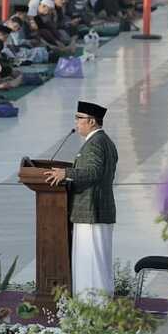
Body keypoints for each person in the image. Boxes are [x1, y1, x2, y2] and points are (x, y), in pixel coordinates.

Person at [45, 100, 118, 301]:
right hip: (93, 210)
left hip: (91, 211)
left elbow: (93, 172)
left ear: (92, 121)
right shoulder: (102, 141)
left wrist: (65, 173)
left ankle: (95, 306)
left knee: (91, 262)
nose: (76, 122)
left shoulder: (96, 143)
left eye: (79, 118)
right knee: (95, 262)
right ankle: (96, 304)